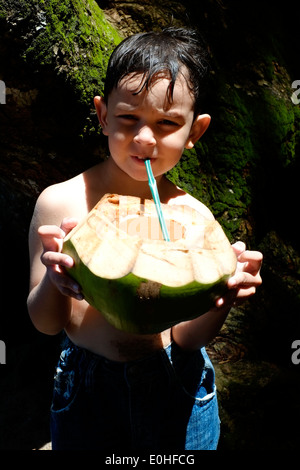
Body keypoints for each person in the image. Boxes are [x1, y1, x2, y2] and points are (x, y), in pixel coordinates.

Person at [27, 27, 263, 451]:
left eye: (168, 123)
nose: (145, 139)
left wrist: (223, 296)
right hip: (88, 386)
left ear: (196, 131)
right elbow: (45, 324)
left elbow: (187, 339)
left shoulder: (195, 219)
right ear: (102, 115)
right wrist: (54, 279)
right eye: (128, 118)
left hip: (177, 383)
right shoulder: (61, 204)